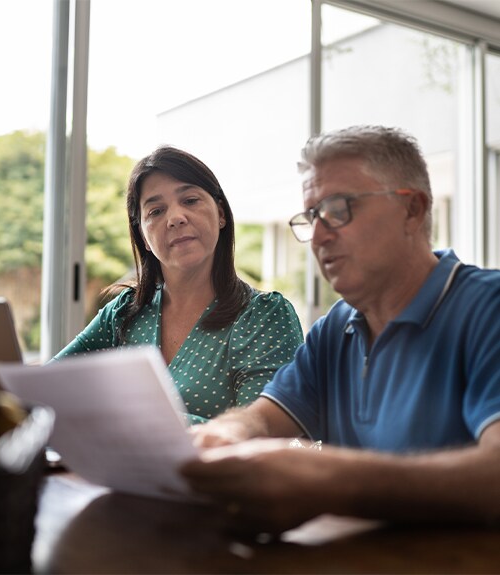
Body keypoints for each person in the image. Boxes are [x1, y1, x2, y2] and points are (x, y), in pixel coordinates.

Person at [181, 125, 500, 534]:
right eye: (312, 216)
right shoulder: (335, 326)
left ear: (412, 210)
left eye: (338, 208)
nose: (318, 236)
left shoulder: (486, 308)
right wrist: (225, 433)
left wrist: (329, 481)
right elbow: (263, 418)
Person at [53, 145, 303, 424]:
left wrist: (129, 416)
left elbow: (261, 436)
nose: (175, 218)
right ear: (144, 238)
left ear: (221, 214)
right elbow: (50, 386)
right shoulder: (124, 313)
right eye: (156, 211)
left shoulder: (264, 316)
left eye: (191, 200)